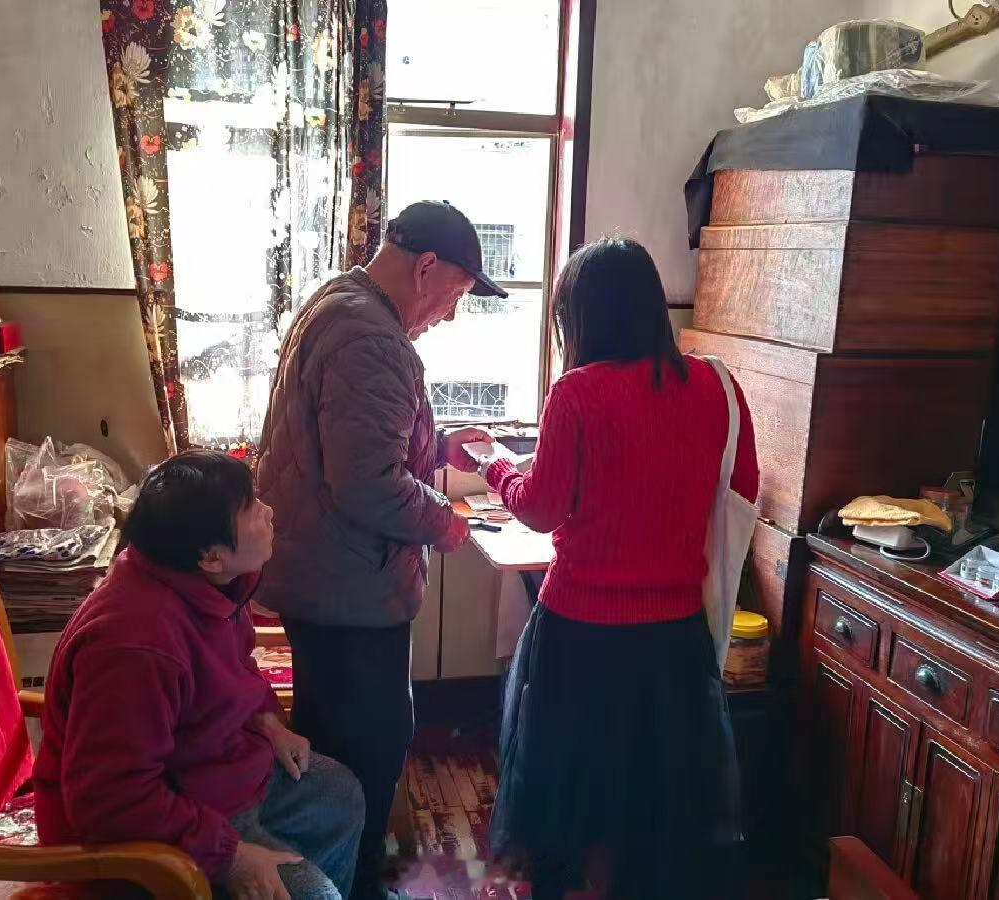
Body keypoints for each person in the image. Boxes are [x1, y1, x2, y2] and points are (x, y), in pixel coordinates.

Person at [481, 239, 760, 899]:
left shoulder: (577, 393)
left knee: (568, 790)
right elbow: (742, 486)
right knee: (653, 794)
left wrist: (498, 469)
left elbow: (542, 508)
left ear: (579, 317)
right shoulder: (716, 386)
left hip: (580, 632)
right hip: (674, 636)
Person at [255, 201, 505, 900]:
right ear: (426, 268)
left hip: (321, 576)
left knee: (337, 743)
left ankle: (332, 879)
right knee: (368, 747)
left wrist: (438, 445)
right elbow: (368, 483)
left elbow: (350, 440)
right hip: (349, 589)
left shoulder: (338, 300)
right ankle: (355, 885)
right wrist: (444, 521)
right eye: (456, 293)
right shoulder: (373, 339)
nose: (451, 314)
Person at [33, 451, 366, 900]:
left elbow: (234, 671)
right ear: (210, 555)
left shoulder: (209, 584)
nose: (268, 511)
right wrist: (231, 856)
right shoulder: (133, 645)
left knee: (341, 796)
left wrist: (268, 722)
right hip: (142, 834)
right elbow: (110, 801)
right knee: (315, 895)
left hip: (209, 773)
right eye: (251, 507)